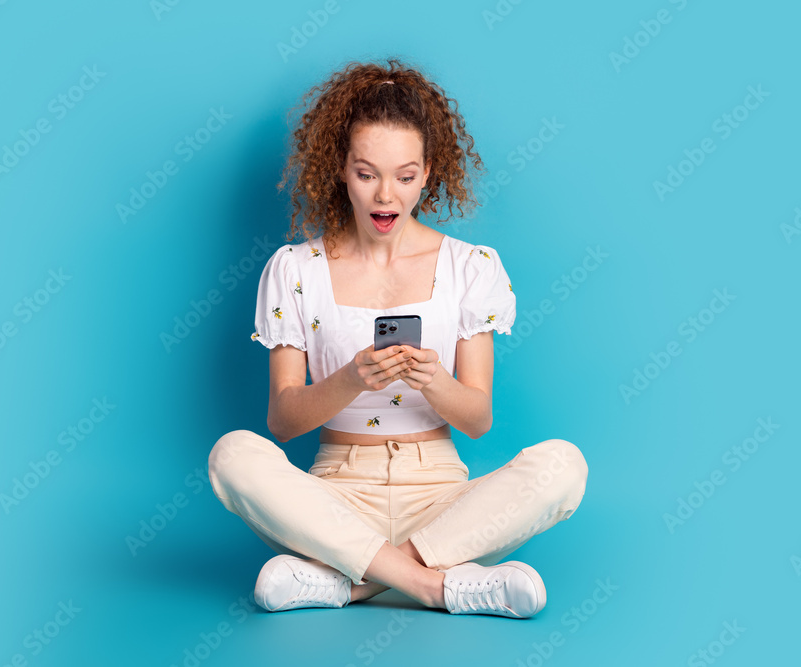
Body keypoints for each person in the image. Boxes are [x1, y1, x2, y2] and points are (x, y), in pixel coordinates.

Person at [208, 57, 588, 618]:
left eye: (405, 177)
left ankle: (349, 582)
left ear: (429, 173)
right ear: (340, 169)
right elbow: (283, 422)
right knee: (232, 455)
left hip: (441, 500)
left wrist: (434, 381)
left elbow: (478, 420)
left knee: (564, 465)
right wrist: (348, 380)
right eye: (367, 174)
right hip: (335, 499)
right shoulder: (294, 269)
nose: (386, 195)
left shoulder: (471, 267)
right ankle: (438, 587)